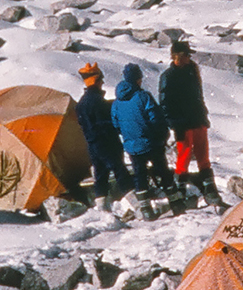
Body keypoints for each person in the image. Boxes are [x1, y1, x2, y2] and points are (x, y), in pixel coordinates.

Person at [110, 62, 185, 220]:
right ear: (137, 79)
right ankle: (176, 204)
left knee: (140, 175)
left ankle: (145, 210)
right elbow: (155, 118)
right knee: (163, 171)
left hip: (132, 146)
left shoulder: (116, 102)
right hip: (151, 143)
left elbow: (116, 124)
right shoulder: (143, 97)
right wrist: (162, 136)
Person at [159, 38, 226, 209]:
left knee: (203, 154)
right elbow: (165, 103)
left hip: (197, 119)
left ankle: (210, 189)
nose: (190, 58)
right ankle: (181, 191)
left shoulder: (192, 71)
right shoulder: (168, 76)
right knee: (184, 155)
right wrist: (173, 123)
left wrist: (203, 115)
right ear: (177, 56)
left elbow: (198, 96)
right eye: (187, 55)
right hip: (182, 123)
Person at [76, 63, 133, 208]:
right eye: (101, 80)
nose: (103, 83)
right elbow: (107, 124)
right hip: (107, 143)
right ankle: (139, 205)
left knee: (100, 177)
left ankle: (102, 209)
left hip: (92, 145)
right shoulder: (99, 102)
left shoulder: (81, 103)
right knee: (120, 172)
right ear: (96, 81)